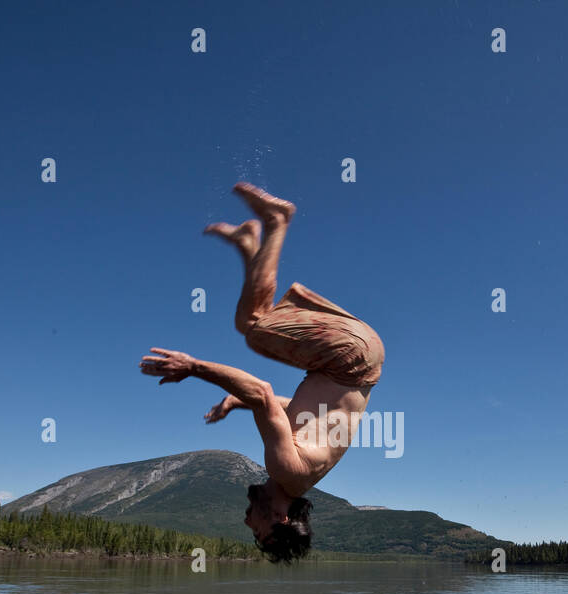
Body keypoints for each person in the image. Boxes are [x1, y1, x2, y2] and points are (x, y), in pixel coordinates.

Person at [140, 183, 385, 563]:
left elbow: (298, 408)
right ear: (280, 518)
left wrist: (236, 403)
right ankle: (276, 220)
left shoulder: (304, 470)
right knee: (253, 325)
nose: (246, 521)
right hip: (349, 358)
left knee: (256, 321)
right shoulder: (287, 469)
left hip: (360, 356)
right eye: (257, 529)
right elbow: (264, 392)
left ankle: (248, 244)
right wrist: (193, 367)